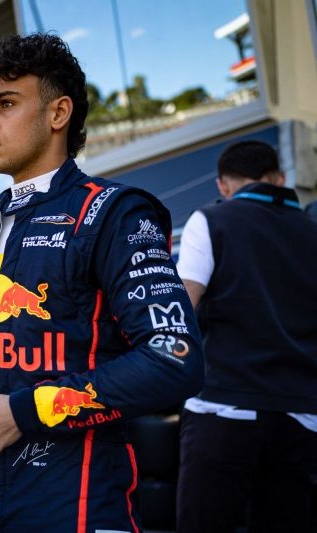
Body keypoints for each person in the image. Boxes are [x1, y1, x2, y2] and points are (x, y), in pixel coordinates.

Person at [0, 33, 205, 531]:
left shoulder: (113, 212)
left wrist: (23, 412)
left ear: (58, 113)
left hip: (79, 501)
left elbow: (174, 359)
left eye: (6, 103)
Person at [175, 140, 317, 532]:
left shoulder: (211, 220)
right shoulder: (312, 232)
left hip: (223, 408)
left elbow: (180, 310)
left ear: (223, 185)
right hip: (302, 417)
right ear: (280, 179)